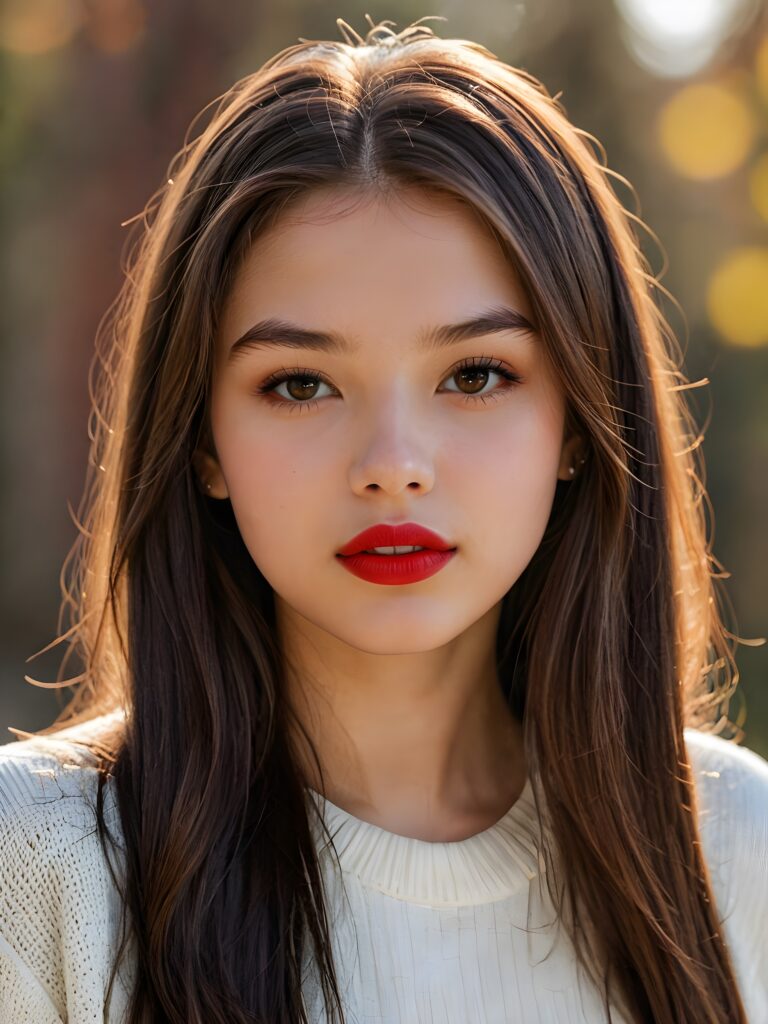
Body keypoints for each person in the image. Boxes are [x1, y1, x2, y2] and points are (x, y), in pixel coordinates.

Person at [0, 15, 766, 1024]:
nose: (393, 466)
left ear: (581, 422)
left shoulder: (736, 846)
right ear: (201, 440)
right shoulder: (40, 867)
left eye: (475, 374)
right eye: (300, 384)